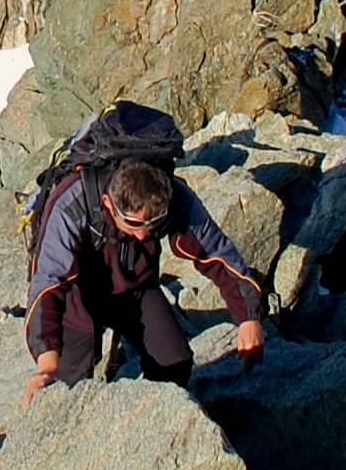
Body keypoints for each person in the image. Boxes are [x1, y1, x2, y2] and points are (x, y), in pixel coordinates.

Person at [22, 156, 265, 406]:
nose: (142, 235)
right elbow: (48, 284)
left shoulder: (174, 197)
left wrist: (249, 317)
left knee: (174, 365)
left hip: (136, 288)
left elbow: (217, 253)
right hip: (77, 295)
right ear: (107, 203)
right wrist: (47, 366)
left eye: (154, 224)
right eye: (133, 223)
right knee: (67, 387)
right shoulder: (72, 202)